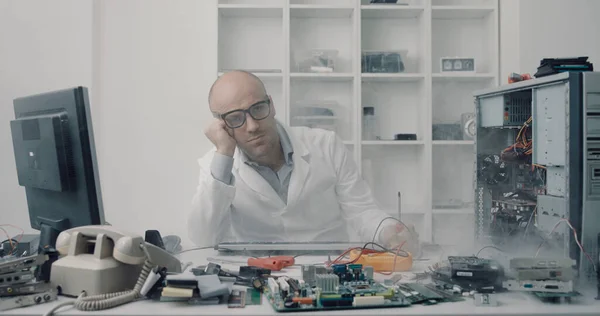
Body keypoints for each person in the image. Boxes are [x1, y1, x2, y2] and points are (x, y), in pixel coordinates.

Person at [188, 70, 420, 256]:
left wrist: (391, 232)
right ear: (220, 125)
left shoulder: (326, 145)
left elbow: (362, 211)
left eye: (258, 109)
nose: (252, 126)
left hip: (329, 270)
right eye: (235, 118)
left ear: (271, 104)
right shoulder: (216, 165)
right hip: (258, 275)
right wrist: (224, 153)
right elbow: (204, 238)